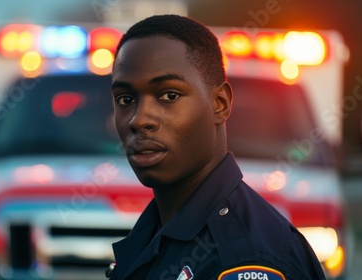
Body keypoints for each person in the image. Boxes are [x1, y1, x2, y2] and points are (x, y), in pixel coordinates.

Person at [107, 14, 326, 280]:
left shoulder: (246, 257)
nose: (138, 120)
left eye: (169, 95)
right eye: (125, 99)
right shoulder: (159, 228)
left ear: (220, 104)